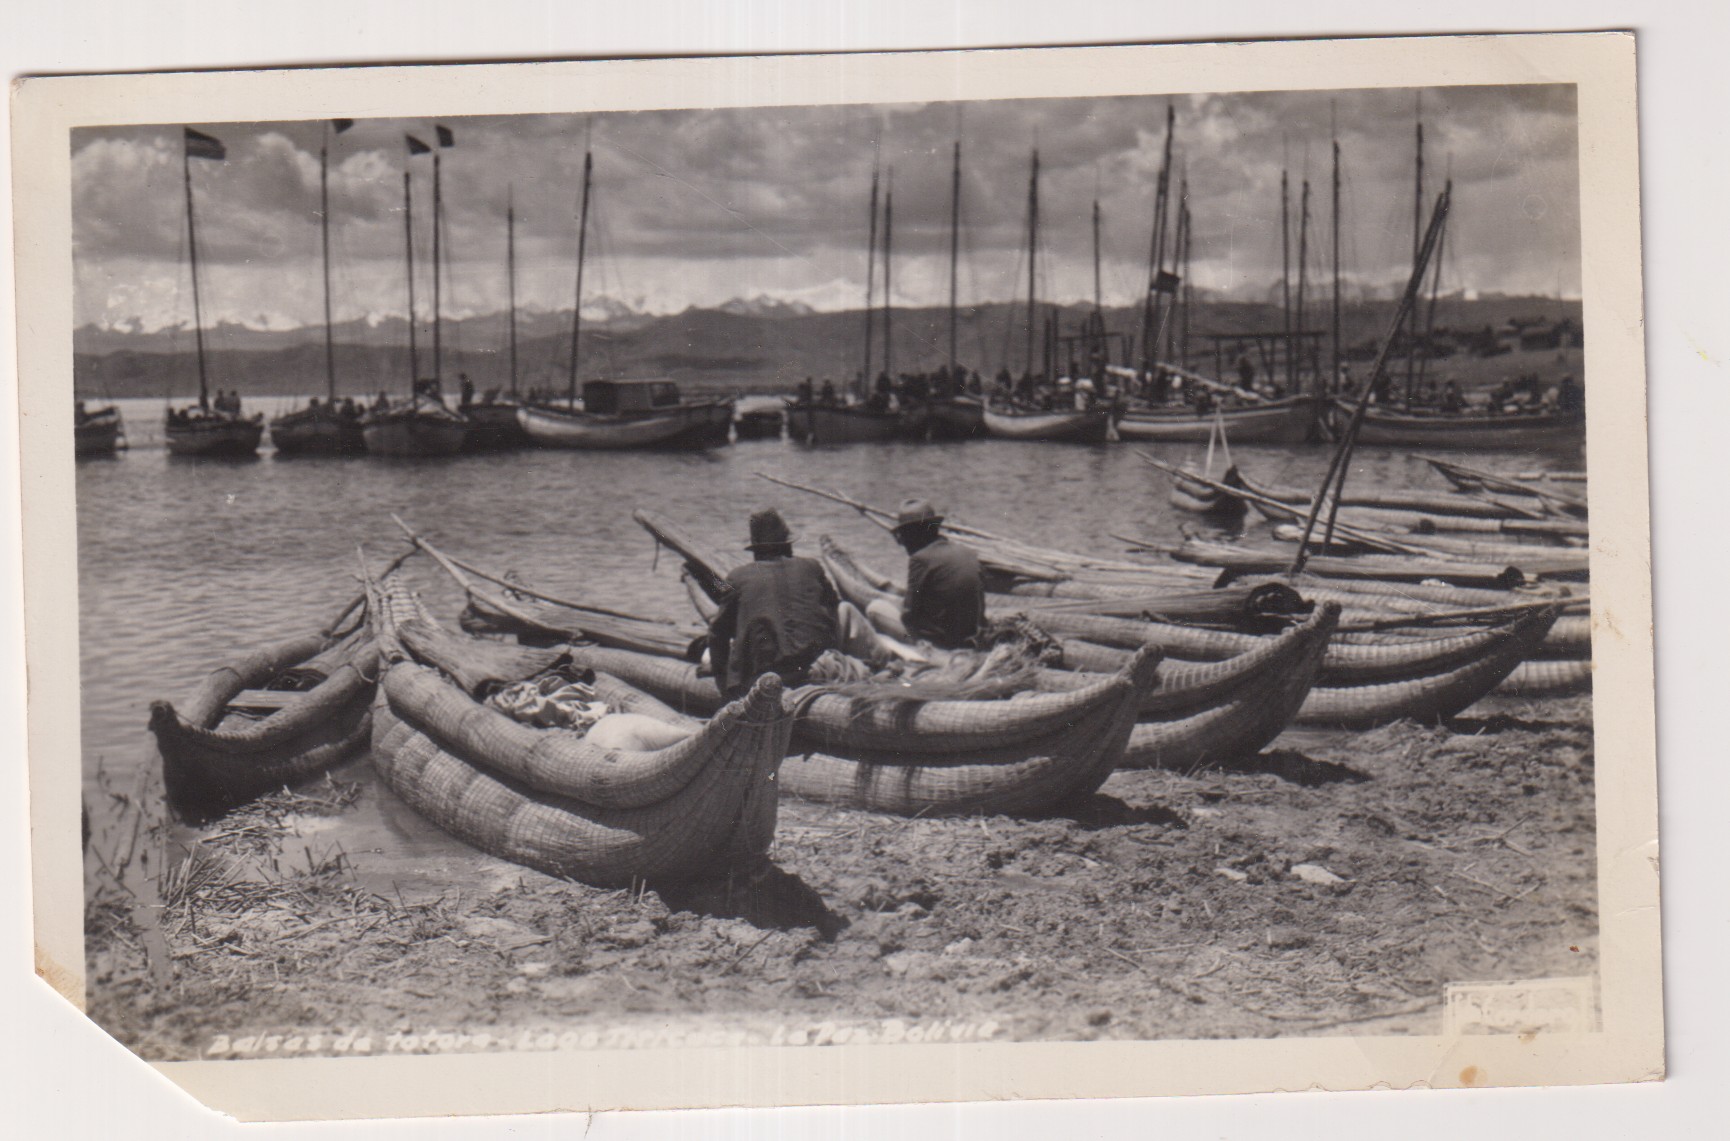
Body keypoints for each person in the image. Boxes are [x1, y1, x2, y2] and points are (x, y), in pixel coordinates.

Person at [707, 509, 843, 699]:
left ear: (756, 549)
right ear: (788, 545)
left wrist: (723, 683)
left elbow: (717, 634)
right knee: (845, 610)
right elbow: (834, 610)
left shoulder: (737, 577)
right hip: (817, 667)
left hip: (765, 678)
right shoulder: (812, 566)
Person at [870, 498, 984, 651]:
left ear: (912, 533)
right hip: (968, 637)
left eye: (903, 536)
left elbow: (909, 615)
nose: (902, 542)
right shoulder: (967, 553)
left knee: (874, 609)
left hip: (939, 644)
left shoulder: (921, 559)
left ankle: (905, 651)